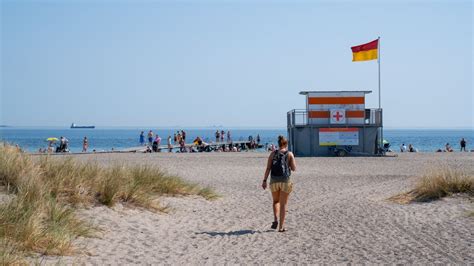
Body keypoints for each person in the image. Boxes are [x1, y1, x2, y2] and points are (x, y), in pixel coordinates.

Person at [262, 135, 296, 232]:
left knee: (276, 201)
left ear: (278, 143)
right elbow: (294, 168)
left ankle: (275, 219)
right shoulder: (289, 154)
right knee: (283, 204)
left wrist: (264, 180)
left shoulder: (273, 154)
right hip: (285, 180)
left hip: (274, 181)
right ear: (286, 144)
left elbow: (268, 168)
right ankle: (281, 227)